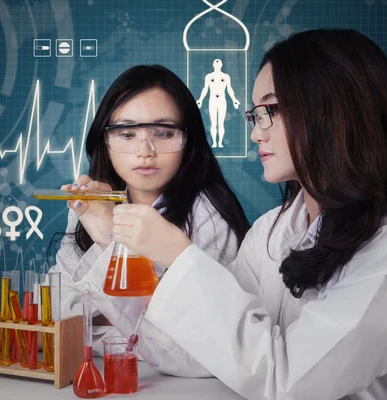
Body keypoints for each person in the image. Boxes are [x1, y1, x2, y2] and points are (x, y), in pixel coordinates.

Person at [110, 29, 387, 399]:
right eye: (255, 115)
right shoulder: (270, 232)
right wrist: (106, 235)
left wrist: (178, 257)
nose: (257, 134)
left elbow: (293, 383)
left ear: (332, 110)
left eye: (270, 111)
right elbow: (201, 356)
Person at [48, 64, 250, 366]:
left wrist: (109, 239)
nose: (145, 151)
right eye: (127, 133)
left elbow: (190, 343)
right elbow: (57, 312)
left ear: (188, 141)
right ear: (105, 141)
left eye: (164, 132)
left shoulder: (211, 217)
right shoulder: (90, 206)